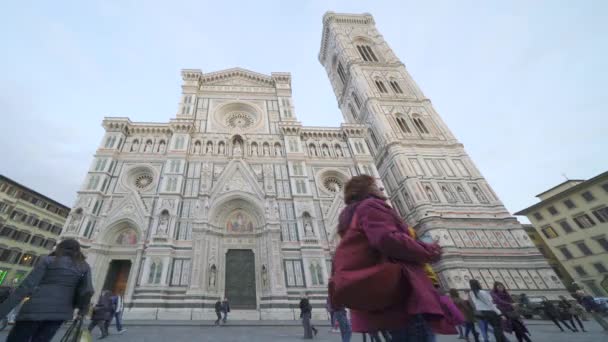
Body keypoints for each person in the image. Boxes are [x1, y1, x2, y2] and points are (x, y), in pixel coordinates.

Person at [331, 175, 445, 341]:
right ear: (368, 190)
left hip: (382, 295)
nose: (381, 188)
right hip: (401, 291)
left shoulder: (350, 217)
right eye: (376, 185)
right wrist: (428, 250)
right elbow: (387, 239)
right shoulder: (371, 206)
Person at [0, 239, 94, 342]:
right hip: (59, 314)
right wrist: (82, 311)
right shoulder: (84, 266)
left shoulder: (48, 260)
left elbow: (26, 286)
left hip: (34, 310)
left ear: (60, 248)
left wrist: (3, 311)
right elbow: (87, 290)